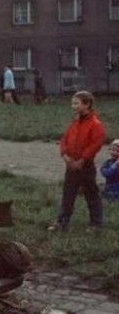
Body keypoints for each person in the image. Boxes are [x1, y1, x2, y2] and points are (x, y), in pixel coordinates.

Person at [48, 91, 105, 232]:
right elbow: (65, 139)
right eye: (72, 103)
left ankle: (96, 224)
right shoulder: (74, 122)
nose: (73, 106)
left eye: (76, 103)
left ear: (87, 104)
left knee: (91, 194)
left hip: (85, 166)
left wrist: (83, 159)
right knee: (68, 194)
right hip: (71, 164)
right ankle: (61, 222)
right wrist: (64, 154)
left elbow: (95, 144)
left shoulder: (95, 124)